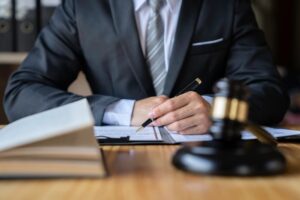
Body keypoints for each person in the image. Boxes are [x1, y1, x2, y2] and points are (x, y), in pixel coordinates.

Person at [4, 0, 289, 134]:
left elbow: (271, 94)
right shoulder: (82, 7)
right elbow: (21, 94)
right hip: (116, 163)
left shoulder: (227, 6)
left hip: (208, 160)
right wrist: (120, 111)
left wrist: (215, 109)